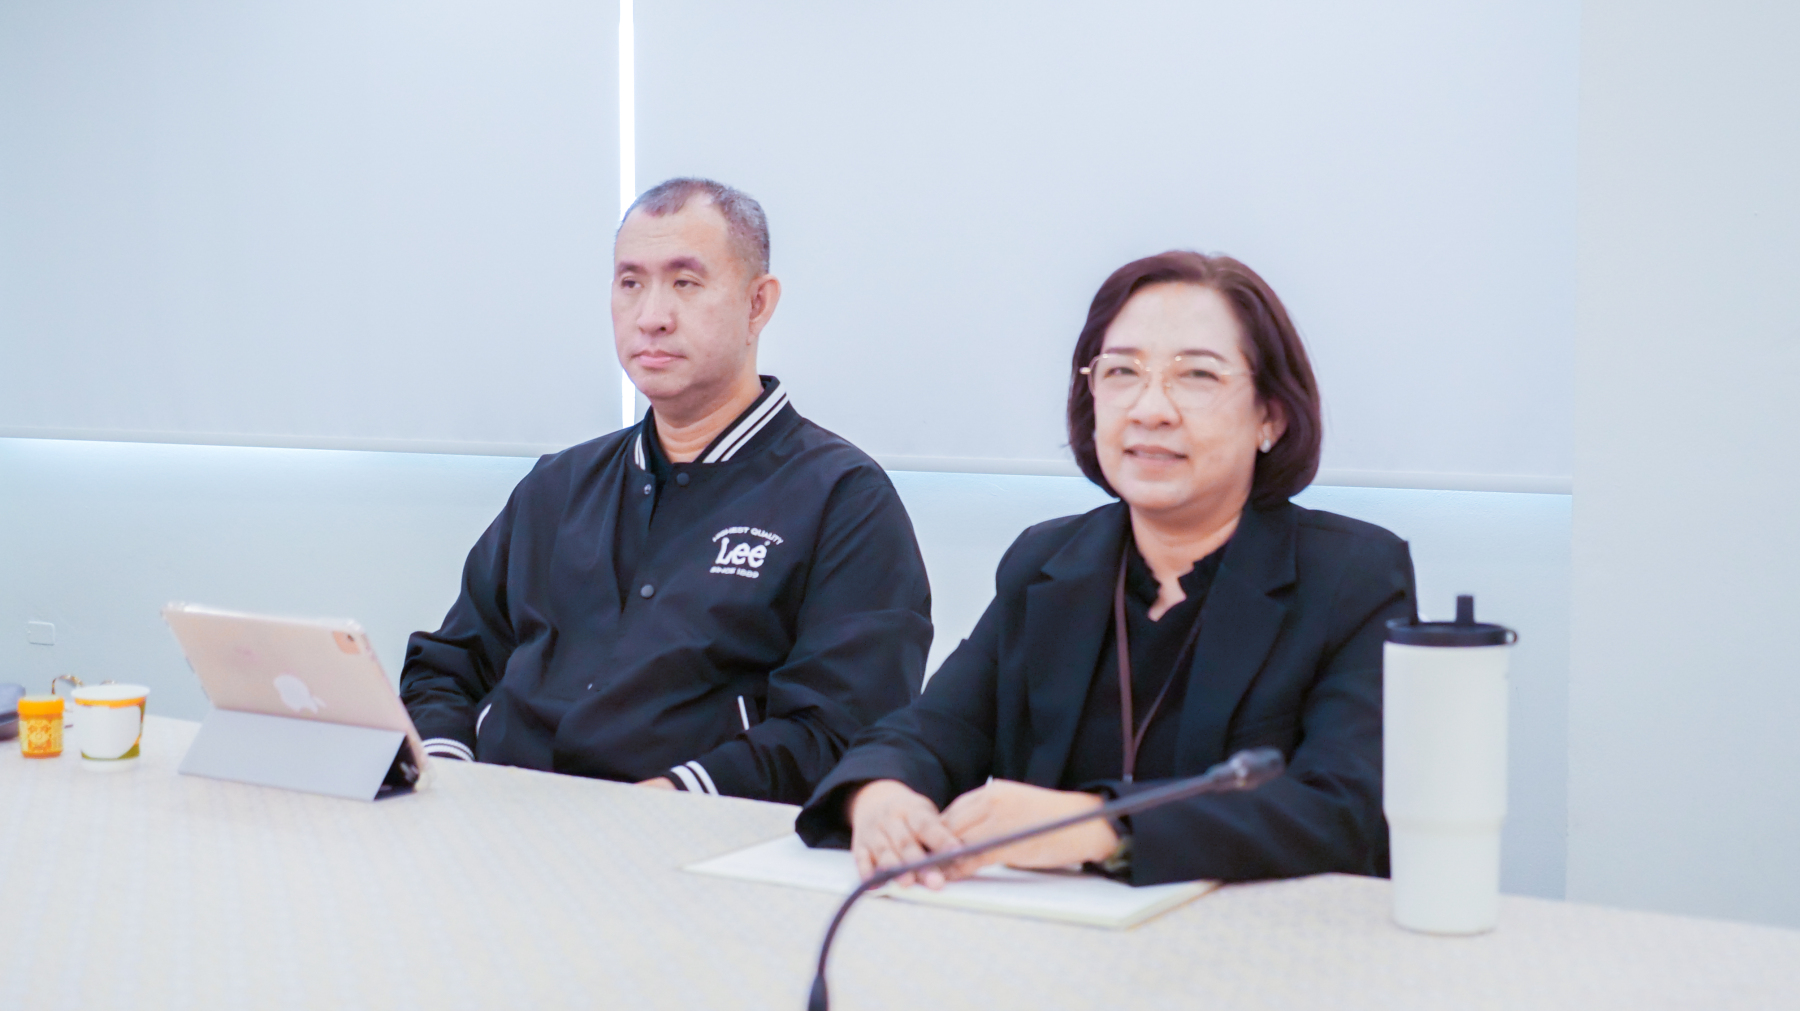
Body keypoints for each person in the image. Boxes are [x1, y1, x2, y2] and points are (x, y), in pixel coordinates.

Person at [795, 251, 1415, 886]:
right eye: (1121, 372)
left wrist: (1098, 826)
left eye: (1197, 375)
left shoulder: (1353, 575)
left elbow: (1342, 810)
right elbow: (932, 729)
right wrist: (882, 793)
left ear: (1270, 416)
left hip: (1252, 935)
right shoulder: (1048, 562)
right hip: (1051, 933)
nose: (1150, 409)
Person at [401, 178, 932, 803]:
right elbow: (448, 667)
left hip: (692, 835)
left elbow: (842, 728)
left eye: (685, 282)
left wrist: (665, 800)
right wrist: (446, 773)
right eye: (631, 283)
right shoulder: (557, 486)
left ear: (758, 304)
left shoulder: (842, 498)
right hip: (502, 816)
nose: (652, 316)